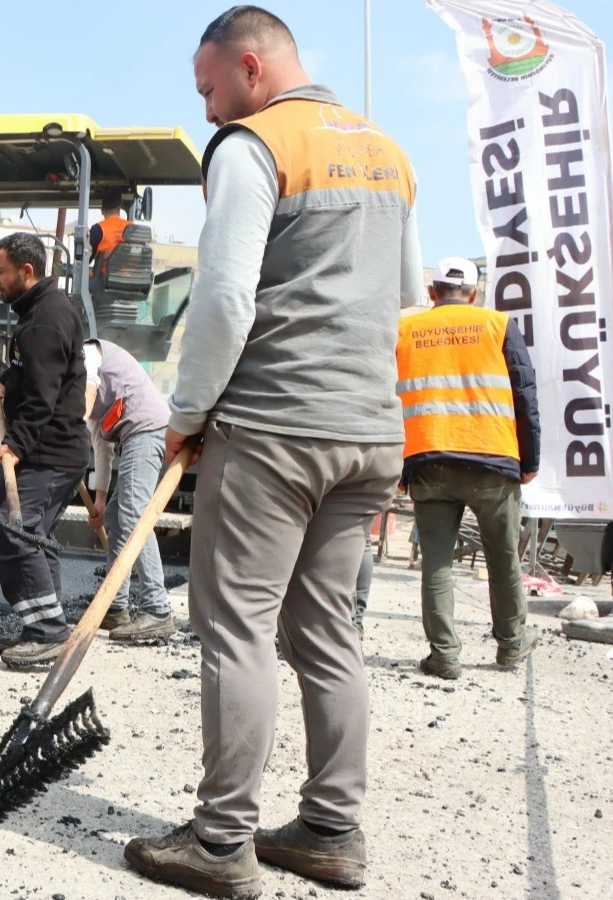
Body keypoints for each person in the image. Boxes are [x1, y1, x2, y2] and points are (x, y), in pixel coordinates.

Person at [124, 8, 422, 897]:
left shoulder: (254, 145)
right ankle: (331, 831)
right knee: (328, 630)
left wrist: (187, 413)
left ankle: (221, 844)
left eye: (209, 88)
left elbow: (223, 299)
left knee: (238, 625)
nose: (208, 109)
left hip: (276, 428)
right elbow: (405, 301)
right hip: (370, 433)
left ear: (250, 68)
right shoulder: (388, 152)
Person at [397, 256, 540, 680]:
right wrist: (530, 459)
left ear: (432, 292)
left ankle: (444, 655)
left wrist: (395, 464)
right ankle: (511, 645)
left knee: (436, 564)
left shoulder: (405, 330)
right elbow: (524, 393)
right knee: (503, 558)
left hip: (428, 460)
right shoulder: (498, 325)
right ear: (475, 294)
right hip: (492, 459)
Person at [0, 232, 91, 668]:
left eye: (1, 271)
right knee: (36, 538)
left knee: (16, 530)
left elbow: (43, 398)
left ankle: (47, 631)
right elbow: (31, 370)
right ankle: (48, 624)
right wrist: (5, 382)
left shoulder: (45, 321)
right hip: (57, 450)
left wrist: (15, 444)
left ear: (26, 271)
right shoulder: (40, 312)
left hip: (51, 452)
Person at [85, 338, 175, 642]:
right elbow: (101, 445)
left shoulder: (86, 354)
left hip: (147, 430)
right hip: (135, 435)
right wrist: (100, 499)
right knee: (115, 516)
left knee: (135, 513)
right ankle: (115, 607)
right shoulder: (82, 387)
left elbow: (85, 402)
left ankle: (157, 609)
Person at [88, 189, 130, 281]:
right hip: (128, 279)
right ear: (119, 209)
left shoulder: (97, 229)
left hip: (104, 280)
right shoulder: (132, 227)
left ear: (102, 210)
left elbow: (86, 259)